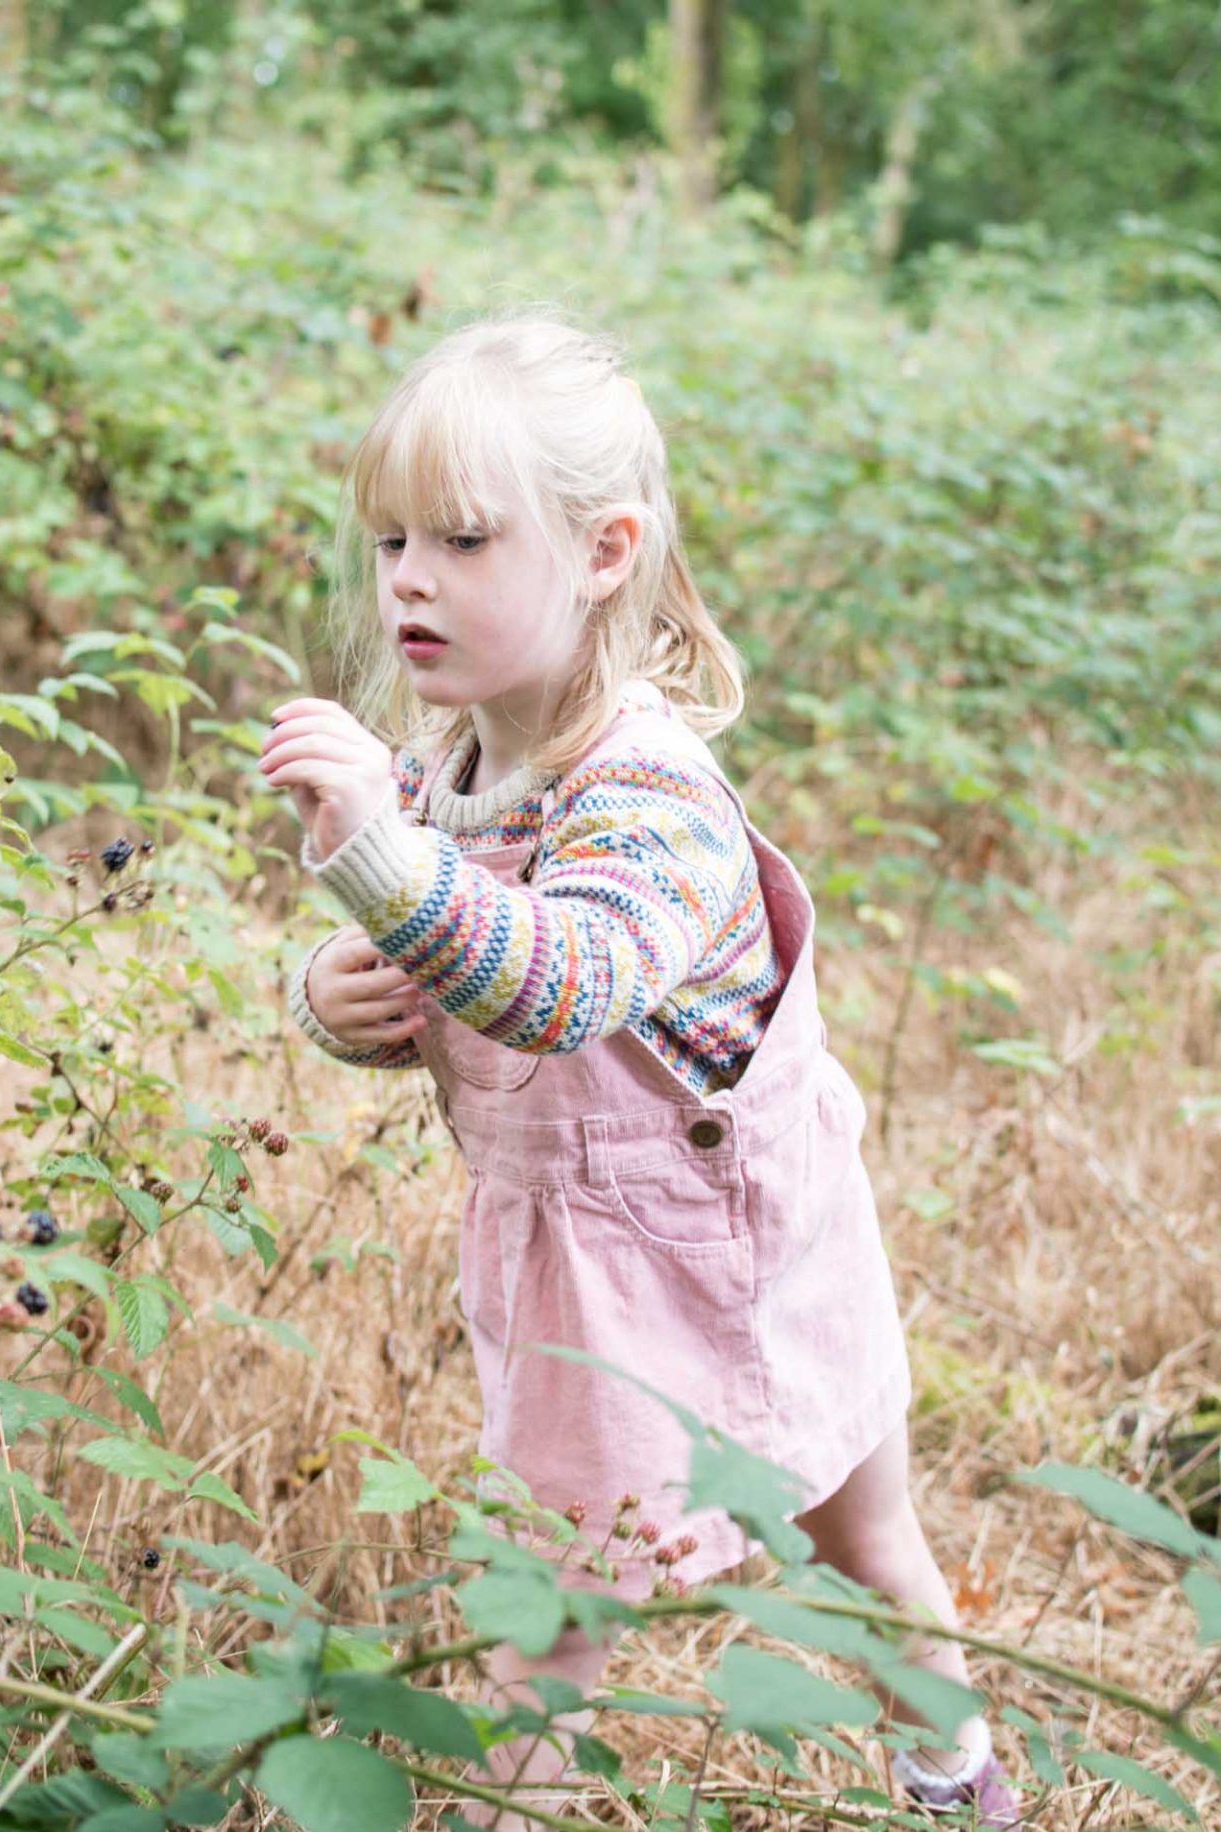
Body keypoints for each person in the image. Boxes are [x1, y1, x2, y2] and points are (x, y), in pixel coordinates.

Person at [260, 313, 1020, 1830]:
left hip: (748, 1239)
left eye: (464, 539)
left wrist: (375, 860)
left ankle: (956, 1774)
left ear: (603, 551)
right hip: (586, 1274)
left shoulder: (652, 784)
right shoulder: (446, 761)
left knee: (867, 1543)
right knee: (561, 1602)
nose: (409, 575)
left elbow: (567, 983)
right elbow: (436, 962)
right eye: (394, 537)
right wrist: (333, 995)